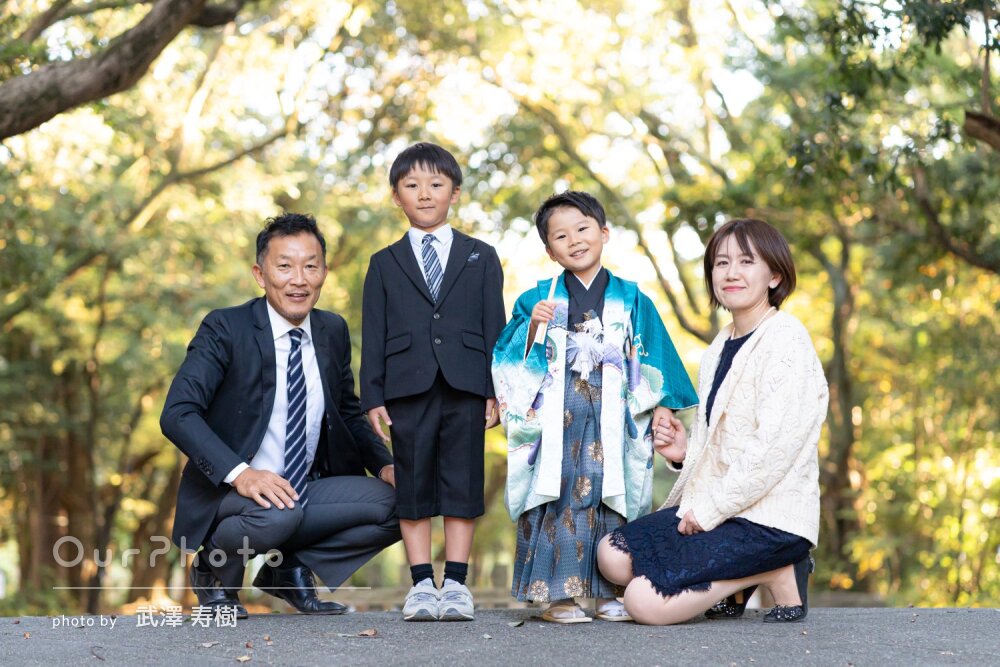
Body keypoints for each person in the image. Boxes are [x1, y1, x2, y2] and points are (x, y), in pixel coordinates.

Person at [160, 213, 400, 619]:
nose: (299, 279)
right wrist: (242, 474)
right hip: (230, 493)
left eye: (311, 265)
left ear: (325, 271)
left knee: (407, 498)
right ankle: (212, 569)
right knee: (278, 512)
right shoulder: (226, 328)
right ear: (260, 273)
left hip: (302, 490)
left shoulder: (332, 331)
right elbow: (177, 413)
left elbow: (346, 412)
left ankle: (286, 571)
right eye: (284, 266)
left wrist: (385, 464)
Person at [596, 217, 828, 625]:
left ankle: (777, 568)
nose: (731, 273)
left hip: (768, 518)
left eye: (745, 262)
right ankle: (737, 583)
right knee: (611, 556)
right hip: (716, 506)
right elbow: (720, 444)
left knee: (643, 601)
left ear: (774, 275)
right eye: (721, 263)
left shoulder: (787, 338)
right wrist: (683, 454)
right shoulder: (719, 347)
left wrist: (709, 510)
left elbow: (772, 450)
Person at [492, 191, 698, 623]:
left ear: (604, 233)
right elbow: (508, 359)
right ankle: (557, 598)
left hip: (613, 416)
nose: (575, 241)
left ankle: (613, 591)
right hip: (556, 420)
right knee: (557, 497)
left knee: (613, 495)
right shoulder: (535, 300)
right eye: (561, 236)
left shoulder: (632, 297)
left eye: (583, 229)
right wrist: (533, 328)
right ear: (550, 250)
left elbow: (655, 357)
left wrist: (663, 409)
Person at [360, 142, 505, 622]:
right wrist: (373, 396)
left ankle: (457, 584)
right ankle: (422, 583)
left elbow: (495, 327)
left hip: (467, 383)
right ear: (396, 196)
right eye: (412, 186)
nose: (425, 194)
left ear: (455, 193)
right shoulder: (384, 262)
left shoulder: (481, 256)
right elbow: (374, 331)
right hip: (406, 386)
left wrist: (496, 389)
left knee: (463, 482)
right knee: (414, 482)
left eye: (436, 185)